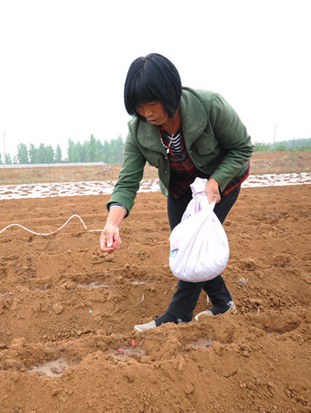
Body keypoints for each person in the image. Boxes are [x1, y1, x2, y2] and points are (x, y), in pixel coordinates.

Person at [100, 53, 253, 332]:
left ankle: (179, 313)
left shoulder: (209, 106)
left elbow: (242, 148)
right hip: (181, 186)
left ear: (169, 93)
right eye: (140, 106)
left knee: (195, 242)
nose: (148, 113)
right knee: (186, 245)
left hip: (221, 181)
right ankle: (223, 304)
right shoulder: (138, 132)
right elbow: (127, 181)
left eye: (152, 103)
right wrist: (112, 223)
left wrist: (216, 180)